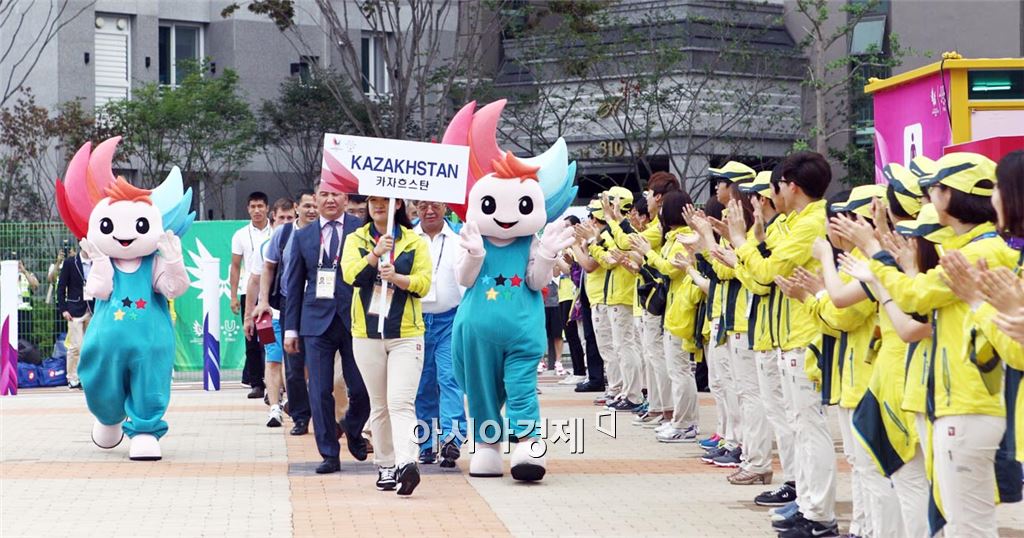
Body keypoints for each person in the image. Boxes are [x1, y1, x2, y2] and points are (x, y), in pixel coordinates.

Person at [729, 151, 838, 538]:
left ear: (791, 186)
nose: (769, 197)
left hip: (804, 336)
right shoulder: (793, 222)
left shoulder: (810, 224)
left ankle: (818, 514)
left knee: (809, 429)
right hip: (787, 335)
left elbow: (766, 272)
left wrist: (741, 241)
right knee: (799, 427)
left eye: (773, 188)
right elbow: (762, 278)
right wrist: (753, 245)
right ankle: (807, 504)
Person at [341, 196, 431, 495]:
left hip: (406, 334)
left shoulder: (415, 241)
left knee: (401, 402)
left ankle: (407, 463)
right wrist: (375, 254)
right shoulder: (356, 239)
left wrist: (399, 278)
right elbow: (350, 275)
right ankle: (386, 465)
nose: (378, 206)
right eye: (373, 201)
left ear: (397, 204)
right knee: (379, 404)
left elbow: (423, 284)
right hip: (366, 334)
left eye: (384, 201)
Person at [283, 182, 370, 474]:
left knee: (362, 387)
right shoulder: (303, 235)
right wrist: (291, 330)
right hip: (315, 321)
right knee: (319, 390)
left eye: (336, 194)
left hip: (354, 318)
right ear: (315, 199)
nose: (330, 199)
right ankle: (329, 453)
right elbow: (294, 284)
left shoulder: (361, 229)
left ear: (345, 198)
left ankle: (353, 428)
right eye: (324, 194)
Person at [252, 190, 318, 435]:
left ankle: (324, 413)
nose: (312, 210)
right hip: (290, 302)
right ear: (297, 207)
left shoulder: (326, 231)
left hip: (319, 303)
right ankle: (300, 416)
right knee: (291, 363)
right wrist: (263, 301)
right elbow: (268, 268)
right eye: (307, 205)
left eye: (315, 205)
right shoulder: (284, 233)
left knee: (319, 362)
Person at [412, 199, 468, 468]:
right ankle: (426, 444)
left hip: (450, 320)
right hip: (414, 322)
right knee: (422, 385)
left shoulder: (459, 239)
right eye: (423, 206)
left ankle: (451, 441)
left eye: (434, 205)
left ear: (445, 206)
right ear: (415, 208)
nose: (429, 211)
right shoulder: (406, 238)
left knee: (450, 379)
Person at [245, 198, 296, 427]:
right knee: (273, 358)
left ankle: (292, 401)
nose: (285, 222)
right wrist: (249, 315)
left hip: (297, 313)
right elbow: (254, 281)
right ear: (273, 218)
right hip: (273, 313)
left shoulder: (305, 240)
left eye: (289, 218)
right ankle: (275, 408)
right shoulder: (265, 246)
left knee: (294, 362)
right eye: (281, 218)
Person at [230, 192, 272, 399]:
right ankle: (256, 383)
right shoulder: (240, 235)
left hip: (272, 291)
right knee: (252, 338)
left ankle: (274, 382)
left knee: (271, 338)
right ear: (248, 209)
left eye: (260, 206)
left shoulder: (276, 231)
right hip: (250, 292)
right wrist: (233, 296)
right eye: (253, 206)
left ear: (267, 208)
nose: (257, 210)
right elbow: (235, 266)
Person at [56, 247, 93, 390]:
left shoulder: (97, 261)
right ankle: (72, 377)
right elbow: (61, 287)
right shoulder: (70, 263)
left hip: (92, 308)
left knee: (90, 346)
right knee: (76, 346)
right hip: (74, 309)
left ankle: (86, 377)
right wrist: (63, 309)